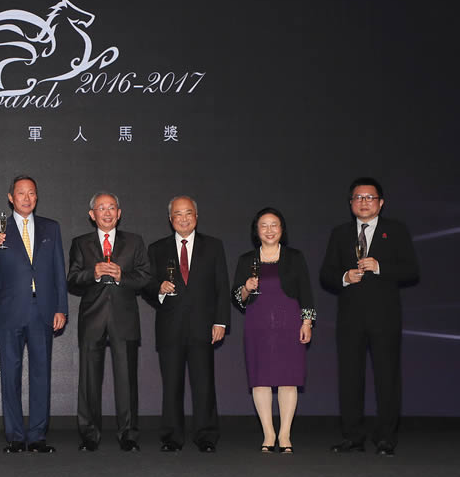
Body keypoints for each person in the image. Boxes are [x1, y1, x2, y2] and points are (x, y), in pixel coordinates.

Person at [320, 177, 418, 457]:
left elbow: (412, 271)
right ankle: (353, 437)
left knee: (387, 378)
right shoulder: (340, 233)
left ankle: (386, 438)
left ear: (381, 202)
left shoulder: (396, 231)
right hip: (350, 318)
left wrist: (379, 266)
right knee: (350, 378)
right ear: (351, 203)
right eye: (358, 197)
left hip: (385, 317)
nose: (364, 202)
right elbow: (326, 274)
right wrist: (344, 277)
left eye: (369, 197)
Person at [0, 175, 67, 454]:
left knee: (41, 375)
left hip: (43, 311)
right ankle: (15, 436)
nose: (27, 198)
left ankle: (37, 436)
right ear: (10, 197)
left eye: (31, 193)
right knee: (10, 375)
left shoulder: (51, 228)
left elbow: (59, 271)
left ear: (36, 197)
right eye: (21, 193)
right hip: (10, 312)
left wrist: (61, 307)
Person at [142, 195, 228, 453]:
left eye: (188, 213)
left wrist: (221, 321)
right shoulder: (157, 249)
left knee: (204, 385)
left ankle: (206, 436)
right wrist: (159, 288)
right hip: (170, 327)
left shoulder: (213, 246)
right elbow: (146, 284)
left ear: (196, 217)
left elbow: (222, 286)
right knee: (171, 386)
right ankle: (172, 437)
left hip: (203, 326)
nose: (183, 218)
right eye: (178, 214)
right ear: (170, 219)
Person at [67, 192, 150, 452]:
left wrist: (122, 276)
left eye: (111, 207)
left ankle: (128, 435)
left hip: (124, 319)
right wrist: (92, 273)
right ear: (92, 215)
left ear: (119, 213)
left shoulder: (134, 242)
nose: (107, 212)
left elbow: (145, 277)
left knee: (126, 380)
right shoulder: (80, 243)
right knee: (89, 381)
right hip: (92, 318)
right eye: (101, 208)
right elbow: (72, 279)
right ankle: (89, 435)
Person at [231, 207, 315, 454]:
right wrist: (246, 288)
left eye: (274, 225)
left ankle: (285, 434)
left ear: (282, 229)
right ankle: (268, 434)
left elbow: (306, 292)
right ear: (256, 231)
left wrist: (307, 323)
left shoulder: (295, 257)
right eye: (264, 226)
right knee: (261, 380)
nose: (269, 230)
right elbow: (237, 299)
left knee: (289, 380)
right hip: (257, 325)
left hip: (289, 325)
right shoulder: (246, 259)